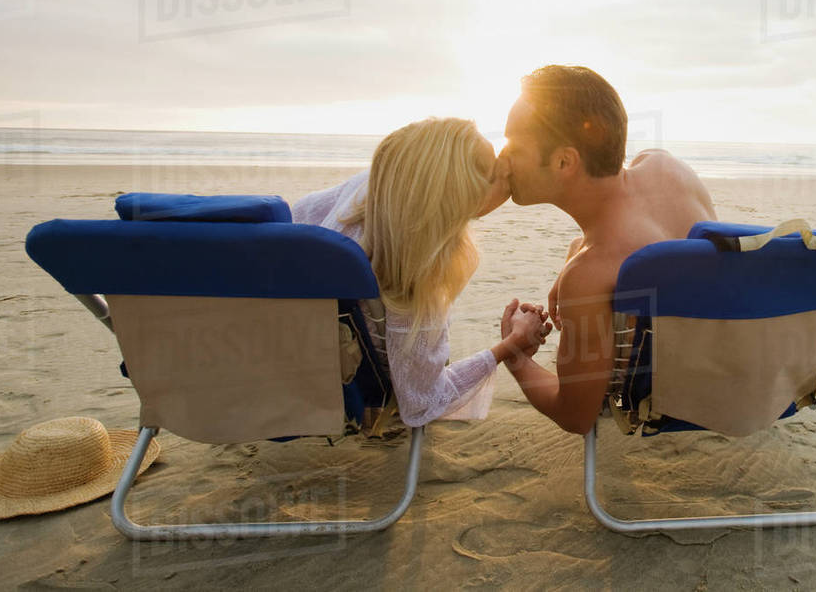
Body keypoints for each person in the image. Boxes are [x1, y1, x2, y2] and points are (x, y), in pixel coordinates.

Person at [496, 66, 717, 434]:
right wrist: (577, 250)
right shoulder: (667, 167)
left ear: (564, 162)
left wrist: (515, 355)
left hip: (670, 396)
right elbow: (647, 234)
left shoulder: (591, 275)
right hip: (726, 367)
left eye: (514, 146)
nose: (502, 157)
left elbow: (575, 415)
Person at [292, 117, 551, 427]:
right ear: (460, 198)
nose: (507, 168)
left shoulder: (368, 191)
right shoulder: (411, 288)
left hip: (282, 361)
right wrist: (510, 344)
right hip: (349, 387)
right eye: (498, 174)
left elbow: (295, 220)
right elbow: (423, 401)